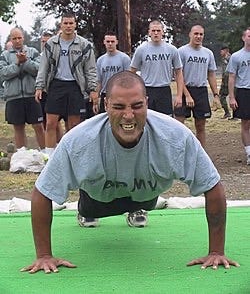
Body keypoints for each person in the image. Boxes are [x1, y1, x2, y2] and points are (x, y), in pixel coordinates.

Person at [21, 71, 239, 274]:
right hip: (97, 200)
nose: (128, 115)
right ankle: (85, 210)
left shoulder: (176, 136)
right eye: (118, 107)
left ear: (147, 103)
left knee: (143, 200)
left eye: (136, 106)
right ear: (105, 105)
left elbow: (213, 185)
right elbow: (42, 191)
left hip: (145, 197)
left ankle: (135, 210)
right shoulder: (78, 141)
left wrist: (216, 252)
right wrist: (44, 255)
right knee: (91, 207)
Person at [35, 12, 98, 156]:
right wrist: (39, 86)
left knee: (74, 125)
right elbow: (43, 67)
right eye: (66, 23)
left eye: (71, 23)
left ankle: (72, 155)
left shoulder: (84, 45)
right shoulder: (51, 43)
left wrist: (93, 89)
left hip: (75, 86)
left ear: (75, 25)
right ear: (61, 25)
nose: (68, 26)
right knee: (51, 123)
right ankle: (49, 157)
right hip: (56, 85)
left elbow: (91, 69)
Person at [174, 25, 221, 147]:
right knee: (179, 125)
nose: (198, 36)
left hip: (201, 91)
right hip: (185, 90)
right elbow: (179, 75)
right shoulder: (181, 52)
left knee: (200, 126)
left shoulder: (208, 53)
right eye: (196, 34)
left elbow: (211, 74)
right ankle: (179, 153)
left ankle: (201, 156)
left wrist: (216, 94)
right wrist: (187, 95)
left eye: (201, 34)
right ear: (190, 34)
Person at [0, 28, 45, 150]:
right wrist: (17, 65)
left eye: (19, 38)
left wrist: (25, 61)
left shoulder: (33, 52)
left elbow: (39, 70)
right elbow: (2, 73)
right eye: (14, 38)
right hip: (13, 97)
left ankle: (46, 153)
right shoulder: (4, 55)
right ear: (11, 39)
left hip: (31, 95)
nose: (17, 40)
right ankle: (22, 155)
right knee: (18, 128)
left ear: (23, 38)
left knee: (38, 126)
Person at [130, 19, 183, 116]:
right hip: (147, 90)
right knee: (147, 121)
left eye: (158, 31)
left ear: (163, 32)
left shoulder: (172, 50)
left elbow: (179, 73)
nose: (156, 33)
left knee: (165, 122)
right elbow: (132, 72)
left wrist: (179, 96)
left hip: (164, 90)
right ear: (149, 32)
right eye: (153, 31)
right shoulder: (141, 49)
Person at [227, 27, 250, 165]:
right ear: (243, 38)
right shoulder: (236, 56)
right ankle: (249, 152)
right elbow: (231, 77)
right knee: (246, 123)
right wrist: (231, 97)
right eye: (249, 36)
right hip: (244, 91)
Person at [97, 31, 131, 112]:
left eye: (112, 41)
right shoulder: (100, 60)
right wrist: (97, 97)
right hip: (106, 94)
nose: (110, 44)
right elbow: (99, 81)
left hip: (120, 94)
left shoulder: (124, 58)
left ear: (116, 42)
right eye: (108, 41)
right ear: (104, 42)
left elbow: (129, 79)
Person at [219, 46, 231, 119]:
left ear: (226, 50)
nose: (220, 53)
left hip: (230, 81)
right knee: (222, 96)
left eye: (222, 51)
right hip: (225, 81)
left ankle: (232, 114)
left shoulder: (231, 58)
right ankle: (227, 112)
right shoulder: (224, 59)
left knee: (233, 97)